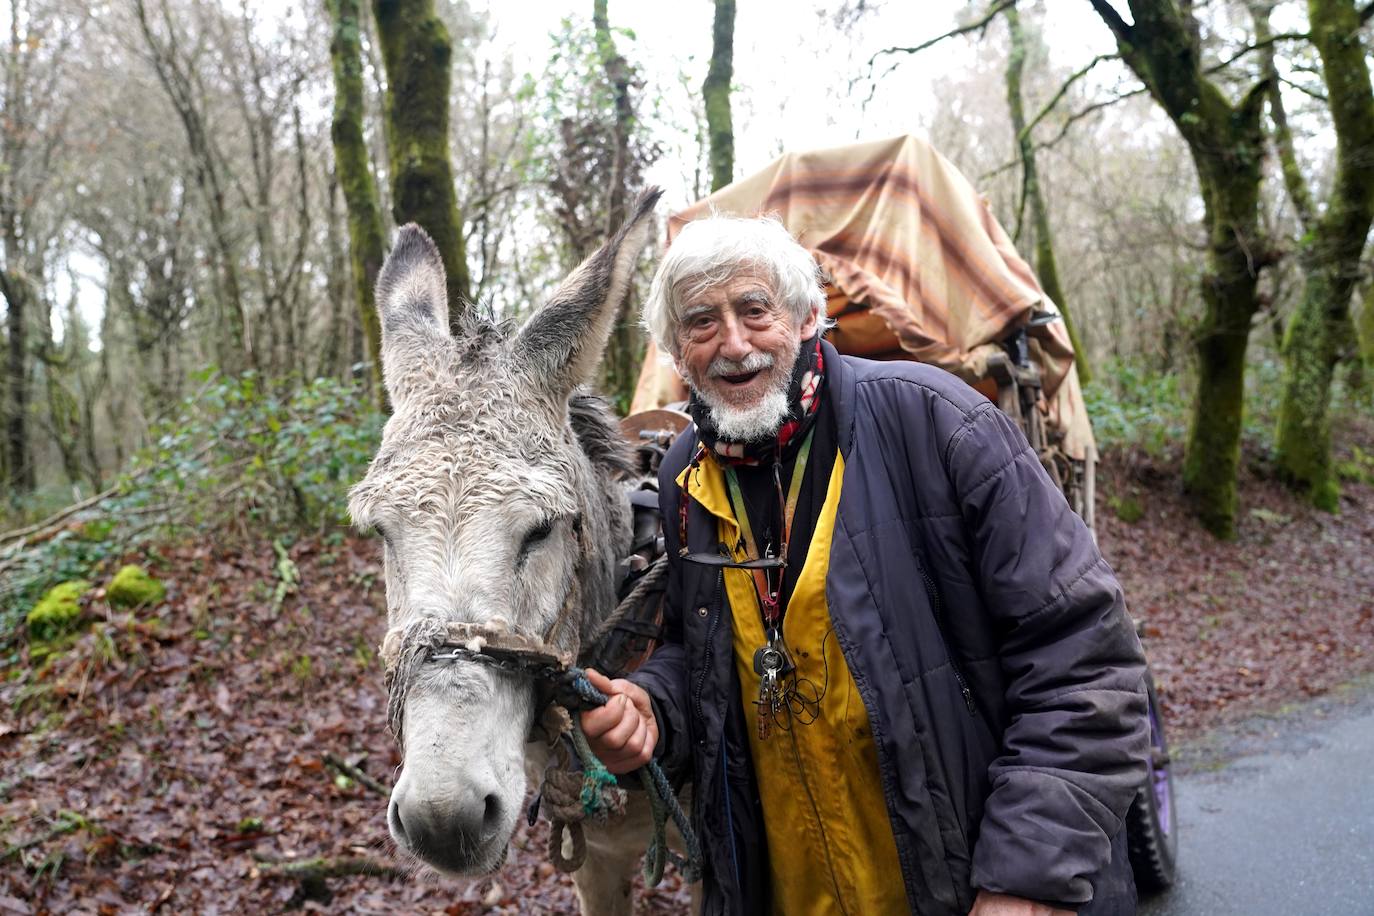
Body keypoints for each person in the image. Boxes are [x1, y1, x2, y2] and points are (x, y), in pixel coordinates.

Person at [580, 214, 1149, 916]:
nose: (733, 343)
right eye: (701, 322)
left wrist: (1027, 874)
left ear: (806, 317)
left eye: (754, 310)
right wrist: (654, 708)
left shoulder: (937, 422)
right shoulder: (683, 476)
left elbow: (1084, 658)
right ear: (677, 351)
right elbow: (700, 651)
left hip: (977, 889)